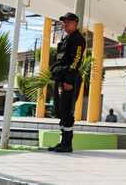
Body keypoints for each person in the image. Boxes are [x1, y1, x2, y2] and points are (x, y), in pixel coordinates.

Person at [48, 12, 86, 153]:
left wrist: (69, 80)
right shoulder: (66, 38)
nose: (65, 24)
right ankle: (62, 141)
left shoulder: (78, 39)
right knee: (61, 111)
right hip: (61, 78)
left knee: (67, 111)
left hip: (70, 79)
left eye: (68, 22)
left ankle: (67, 144)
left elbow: (76, 61)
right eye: (64, 22)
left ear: (75, 23)